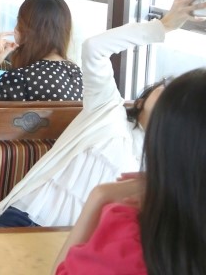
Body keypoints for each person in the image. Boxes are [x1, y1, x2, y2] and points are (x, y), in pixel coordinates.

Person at [0, 0, 205, 229]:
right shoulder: (108, 108)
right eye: (167, 86)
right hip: (25, 218)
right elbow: (94, 49)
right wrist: (164, 25)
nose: (171, 94)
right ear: (140, 101)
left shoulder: (163, 161)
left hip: (81, 242)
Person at [53, 66, 206, 274]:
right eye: (164, 85)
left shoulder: (133, 232)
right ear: (140, 102)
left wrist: (101, 196)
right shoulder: (111, 115)